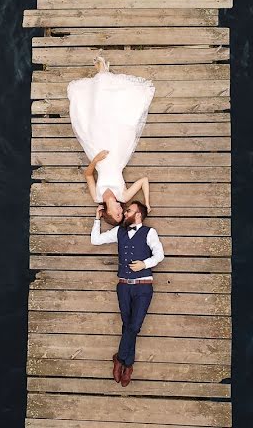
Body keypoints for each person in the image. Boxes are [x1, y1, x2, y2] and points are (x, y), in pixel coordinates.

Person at [68, 55, 155, 226]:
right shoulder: (123, 196)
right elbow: (144, 180)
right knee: (121, 119)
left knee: (94, 119)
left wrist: (96, 160)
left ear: (108, 213)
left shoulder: (97, 196)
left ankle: (102, 75)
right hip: (117, 153)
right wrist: (148, 202)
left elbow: (87, 174)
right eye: (122, 213)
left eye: (118, 215)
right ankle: (104, 73)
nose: (121, 211)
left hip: (98, 155)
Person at [90, 200, 164, 387]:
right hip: (123, 286)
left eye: (128, 210)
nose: (124, 213)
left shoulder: (150, 232)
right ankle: (128, 366)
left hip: (143, 287)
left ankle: (120, 358)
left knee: (134, 326)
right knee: (127, 326)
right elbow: (95, 240)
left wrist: (144, 264)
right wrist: (97, 219)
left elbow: (159, 255)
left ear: (138, 214)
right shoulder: (119, 232)